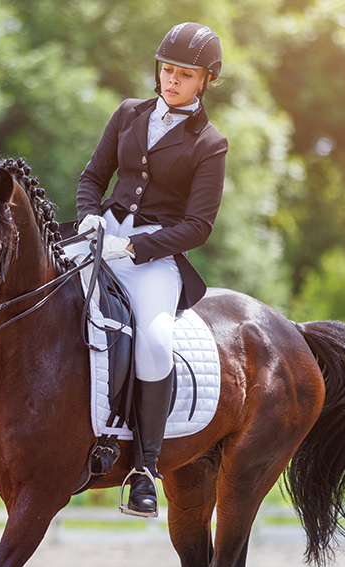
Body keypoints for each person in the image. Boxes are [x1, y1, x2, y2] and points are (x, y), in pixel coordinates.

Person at [72, 22, 227, 517]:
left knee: (156, 346)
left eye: (185, 74)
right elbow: (93, 177)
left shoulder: (210, 143)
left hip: (154, 258)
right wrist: (90, 215)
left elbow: (198, 226)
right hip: (101, 237)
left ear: (206, 80)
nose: (172, 80)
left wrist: (137, 251)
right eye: (167, 69)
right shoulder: (128, 114)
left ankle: (144, 468)